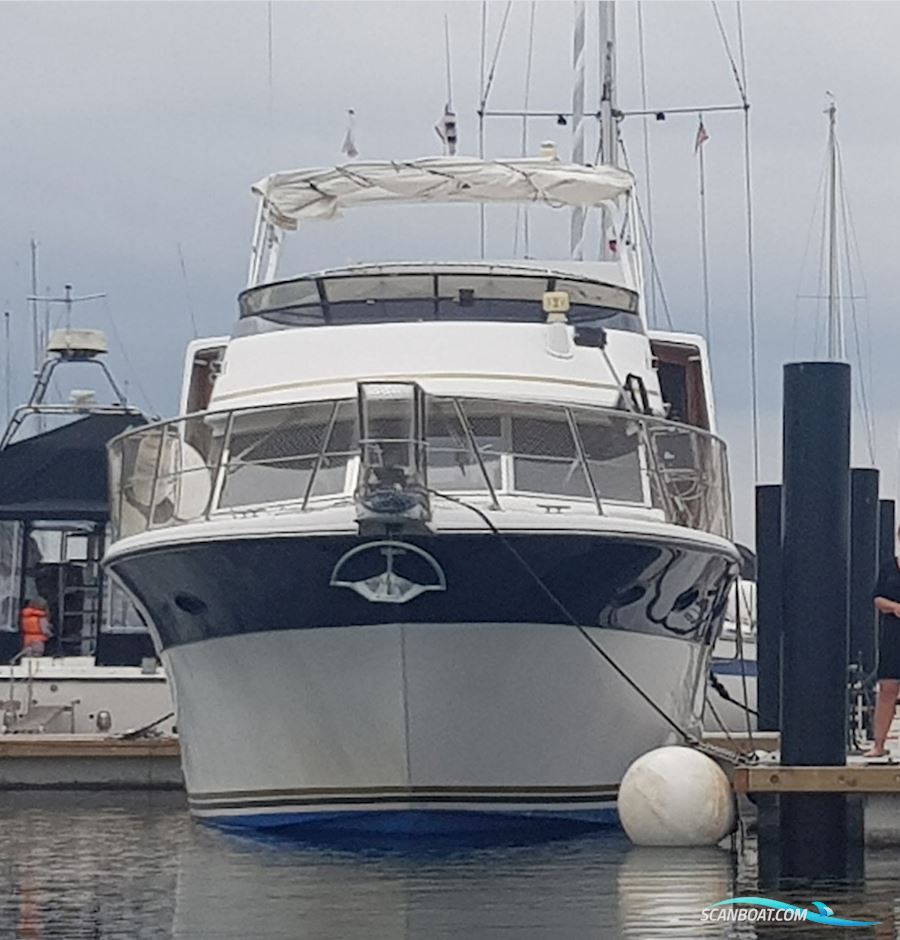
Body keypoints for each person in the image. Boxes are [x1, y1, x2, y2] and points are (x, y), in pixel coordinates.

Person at [866, 527, 900, 757]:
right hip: (893, 633)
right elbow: (877, 597)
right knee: (887, 688)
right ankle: (878, 744)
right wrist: (895, 607)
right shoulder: (889, 566)